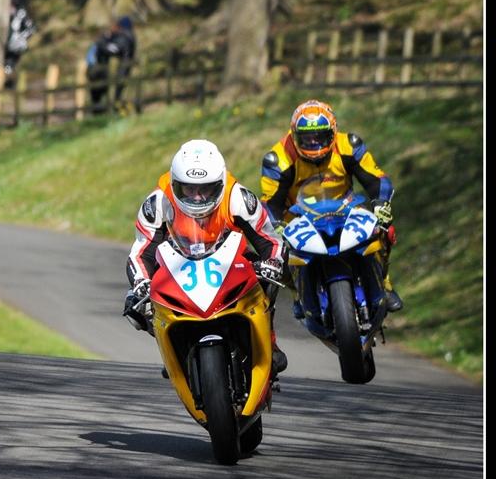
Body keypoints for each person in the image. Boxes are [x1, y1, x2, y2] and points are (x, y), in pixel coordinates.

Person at [124, 139, 289, 375]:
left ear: (219, 183)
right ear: (175, 183)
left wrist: (272, 262)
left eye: (206, 188)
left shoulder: (238, 197)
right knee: (135, 306)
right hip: (178, 265)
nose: (197, 197)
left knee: (269, 279)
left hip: (230, 262)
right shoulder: (158, 202)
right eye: (189, 189)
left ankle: (267, 340)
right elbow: (141, 251)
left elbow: (271, 240)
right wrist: (142, 282)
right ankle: (174, 351)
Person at [259, 99, 402, 320]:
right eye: (305, 138)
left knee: (385, 228)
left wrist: (381, 203)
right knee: (276, 252)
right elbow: (271, 202)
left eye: (319, 136)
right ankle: (298, 291)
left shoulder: (349, 145)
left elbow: (377, 180)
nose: (313, 144)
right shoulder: (278, 159)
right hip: (299, 218)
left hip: (346, 210)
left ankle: (384, 283)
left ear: (332, 132)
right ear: (294, 134)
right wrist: (275, 225)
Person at [86, 16, 136, 112]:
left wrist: (103, 40)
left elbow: (112, 50)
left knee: (116, 95)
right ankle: (120, 112)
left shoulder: (124, 38)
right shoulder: (128, 36)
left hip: (120, 71)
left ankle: (120, 113)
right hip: (122, 70)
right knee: (116, 95)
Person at [3, 0, 36, 88]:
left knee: (9, 66)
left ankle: (10, 85)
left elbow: (31, 29)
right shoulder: (2, 12)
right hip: (2, 45)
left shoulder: (21, 13)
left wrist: (19, 37)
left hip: (14, 47)